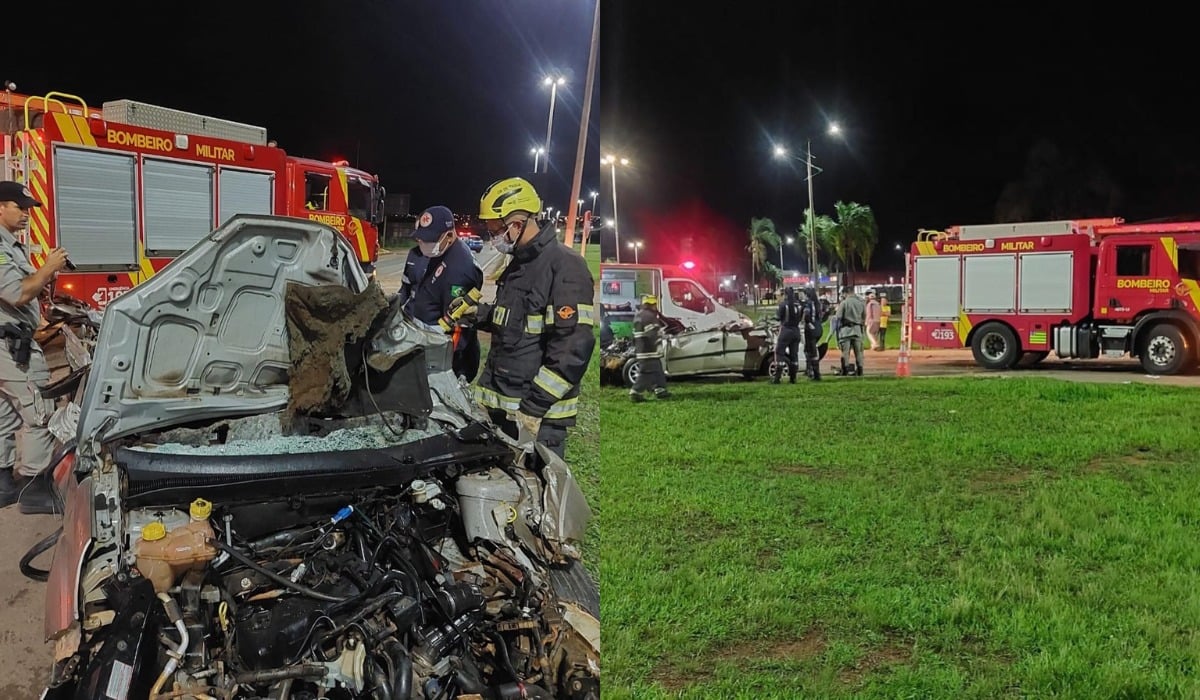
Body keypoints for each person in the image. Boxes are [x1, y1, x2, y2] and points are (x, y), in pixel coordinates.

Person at [471, 177, 596, 458]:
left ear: (516, 224)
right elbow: (515, 322)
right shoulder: (520, 262)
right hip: (505, 409)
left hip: (538, 419)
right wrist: (477, 314)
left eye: (496, 230)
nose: (493, 238)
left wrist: (533, 410)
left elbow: (572, 349)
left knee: (535, 494)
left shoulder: (565, 266)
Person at [0, 181, 71, 513]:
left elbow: (26, 290)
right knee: (39, 411)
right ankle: (34, 489)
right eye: (21, 207)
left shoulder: (12, 245)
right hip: (9, 345)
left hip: (10, 339)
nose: (27, 214)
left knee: (7, 414)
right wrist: (48, 268)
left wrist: (42, 285)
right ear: (1, 206)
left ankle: (4, 484)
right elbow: (17, 293)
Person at [396, 205, 484, 381]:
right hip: (416, 337)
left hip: (442, 351)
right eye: (420, 239)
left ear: (449, 236)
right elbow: (406, 291)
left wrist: (447, 368)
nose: (423, 244)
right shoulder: (420, 254)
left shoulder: (461, 268)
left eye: (428, 240)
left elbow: (459, 329)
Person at [630, 294, 670, 401]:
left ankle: (660, 390)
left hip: (641, 349)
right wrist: (658, 345)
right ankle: (636, 392)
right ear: (652, 304)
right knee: (646, 372)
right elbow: (652, 333)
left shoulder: (639, 315)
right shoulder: (649, 316)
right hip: (648, 350)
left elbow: (634, 335)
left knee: (657, 370)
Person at [772, 287, 802, 384]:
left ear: (784, 294)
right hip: (796, 331)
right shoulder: (798, 305)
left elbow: (778, 317)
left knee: (779, 352)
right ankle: (793, 378)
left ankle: (777, 378)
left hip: (786, 331)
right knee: (794, 354)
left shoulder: (783, 305)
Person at [835, 285, 867, 376]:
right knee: (859, 352)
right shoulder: (861, 302)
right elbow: (864, 316)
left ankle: (845, 370)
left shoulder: (844, 303)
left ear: (846, 293)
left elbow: (838, 317)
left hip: (845, 331)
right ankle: (860, 370)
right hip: (857, 330)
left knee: (845, 352)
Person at [802, 286, 823, 381]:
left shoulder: (808, 303)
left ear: (807, 294)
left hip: (811, 330)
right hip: (819, 328)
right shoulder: (818, 303)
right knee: (810, 349)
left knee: (810, 351)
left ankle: (814, 373)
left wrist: (808, 323)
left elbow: (806, 316)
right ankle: (810, 370)